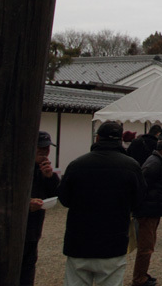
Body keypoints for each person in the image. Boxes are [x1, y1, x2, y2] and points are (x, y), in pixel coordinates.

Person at [59, 121, 146, 286]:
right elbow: (139, 201)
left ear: (97, 138)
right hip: (113, 241)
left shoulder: (77, 164)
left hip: (78, 241)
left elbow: (64, 199)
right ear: (120, 140)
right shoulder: (131, 166)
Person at [132, 135, 162, 286]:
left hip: (152, 208)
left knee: (149, 245)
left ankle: (142, 273)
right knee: (146, 246)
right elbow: (141, 184)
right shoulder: (154, 163)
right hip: (148, 209)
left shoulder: (156, 161)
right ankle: (139, 278)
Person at [21, 131, 60, 286]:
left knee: (28, 265)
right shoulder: (18, 168)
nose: (44, 152)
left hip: (34, 228)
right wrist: (26, 204)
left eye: (47, 148)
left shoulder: (43, 170)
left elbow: (57, 193)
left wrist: (50, 177)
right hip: (15, 229)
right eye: (41, 148)